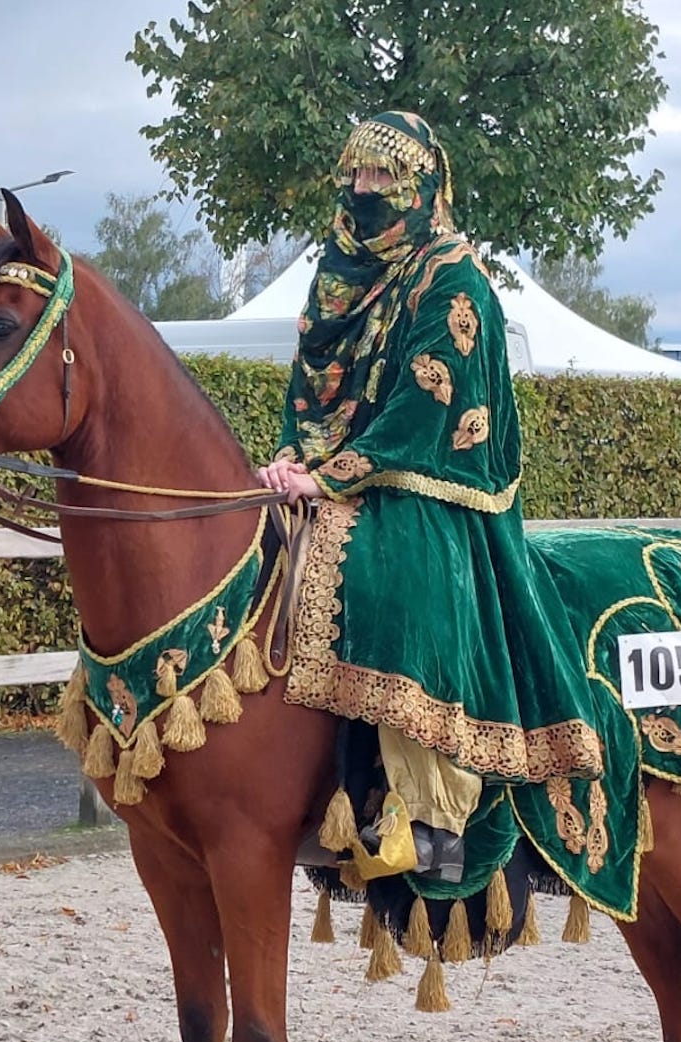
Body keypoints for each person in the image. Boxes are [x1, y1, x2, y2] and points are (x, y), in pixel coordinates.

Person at [258, 110, 608, 885]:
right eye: (357, 174)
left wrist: (332, 476)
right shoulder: (341, 271)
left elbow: (426, 405)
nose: (366, 189)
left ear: (422, 186)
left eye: (385, 176)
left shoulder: (454, 278)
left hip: (434, 480)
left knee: (396, 578)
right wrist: (293, 457)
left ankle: (432, 814)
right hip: (336, 468)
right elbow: (313, 384)